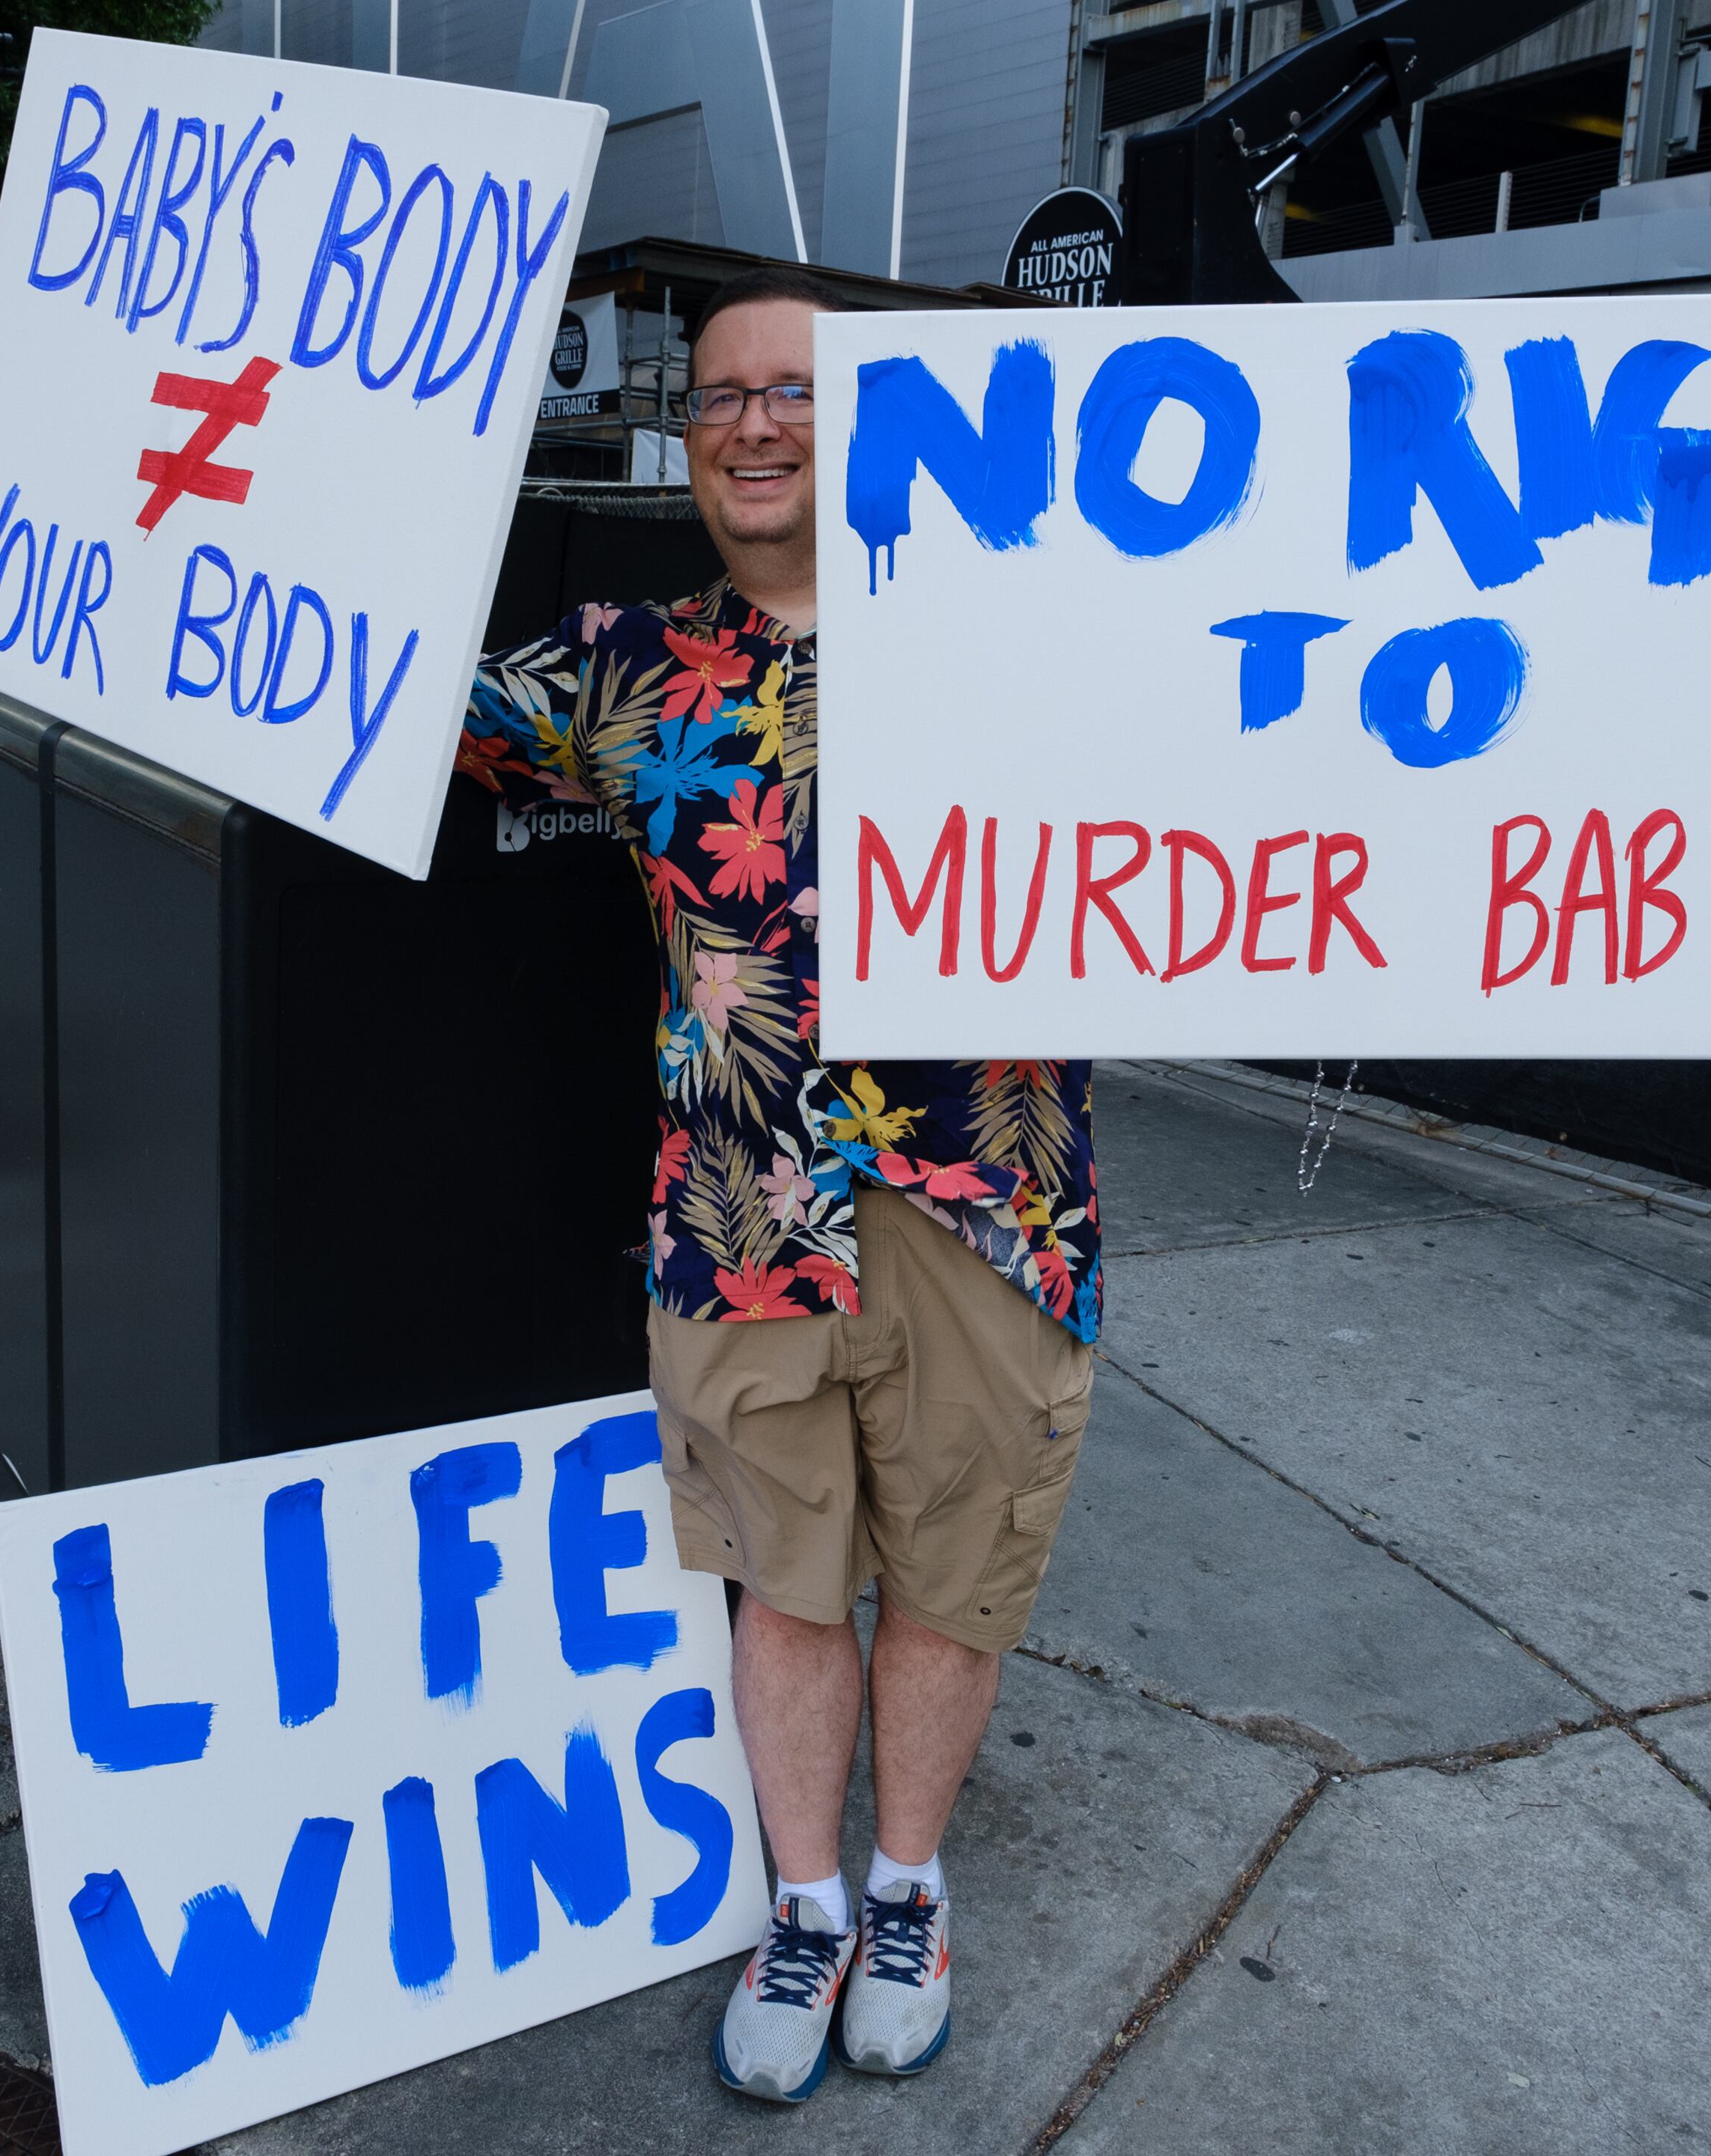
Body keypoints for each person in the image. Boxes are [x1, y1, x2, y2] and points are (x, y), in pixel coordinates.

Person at [461, 266, 1101, 2102]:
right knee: (787, 1586)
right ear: (690, 440)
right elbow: (360, 687)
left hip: (990, 1199)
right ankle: (806, 1907)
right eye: (724, 394)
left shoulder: (1035, 631)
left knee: (957, 1578)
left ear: (872, 421)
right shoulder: (626, 667)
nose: (754, 419)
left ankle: (912, 1885)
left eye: (798, 391)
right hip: (738, 1217)